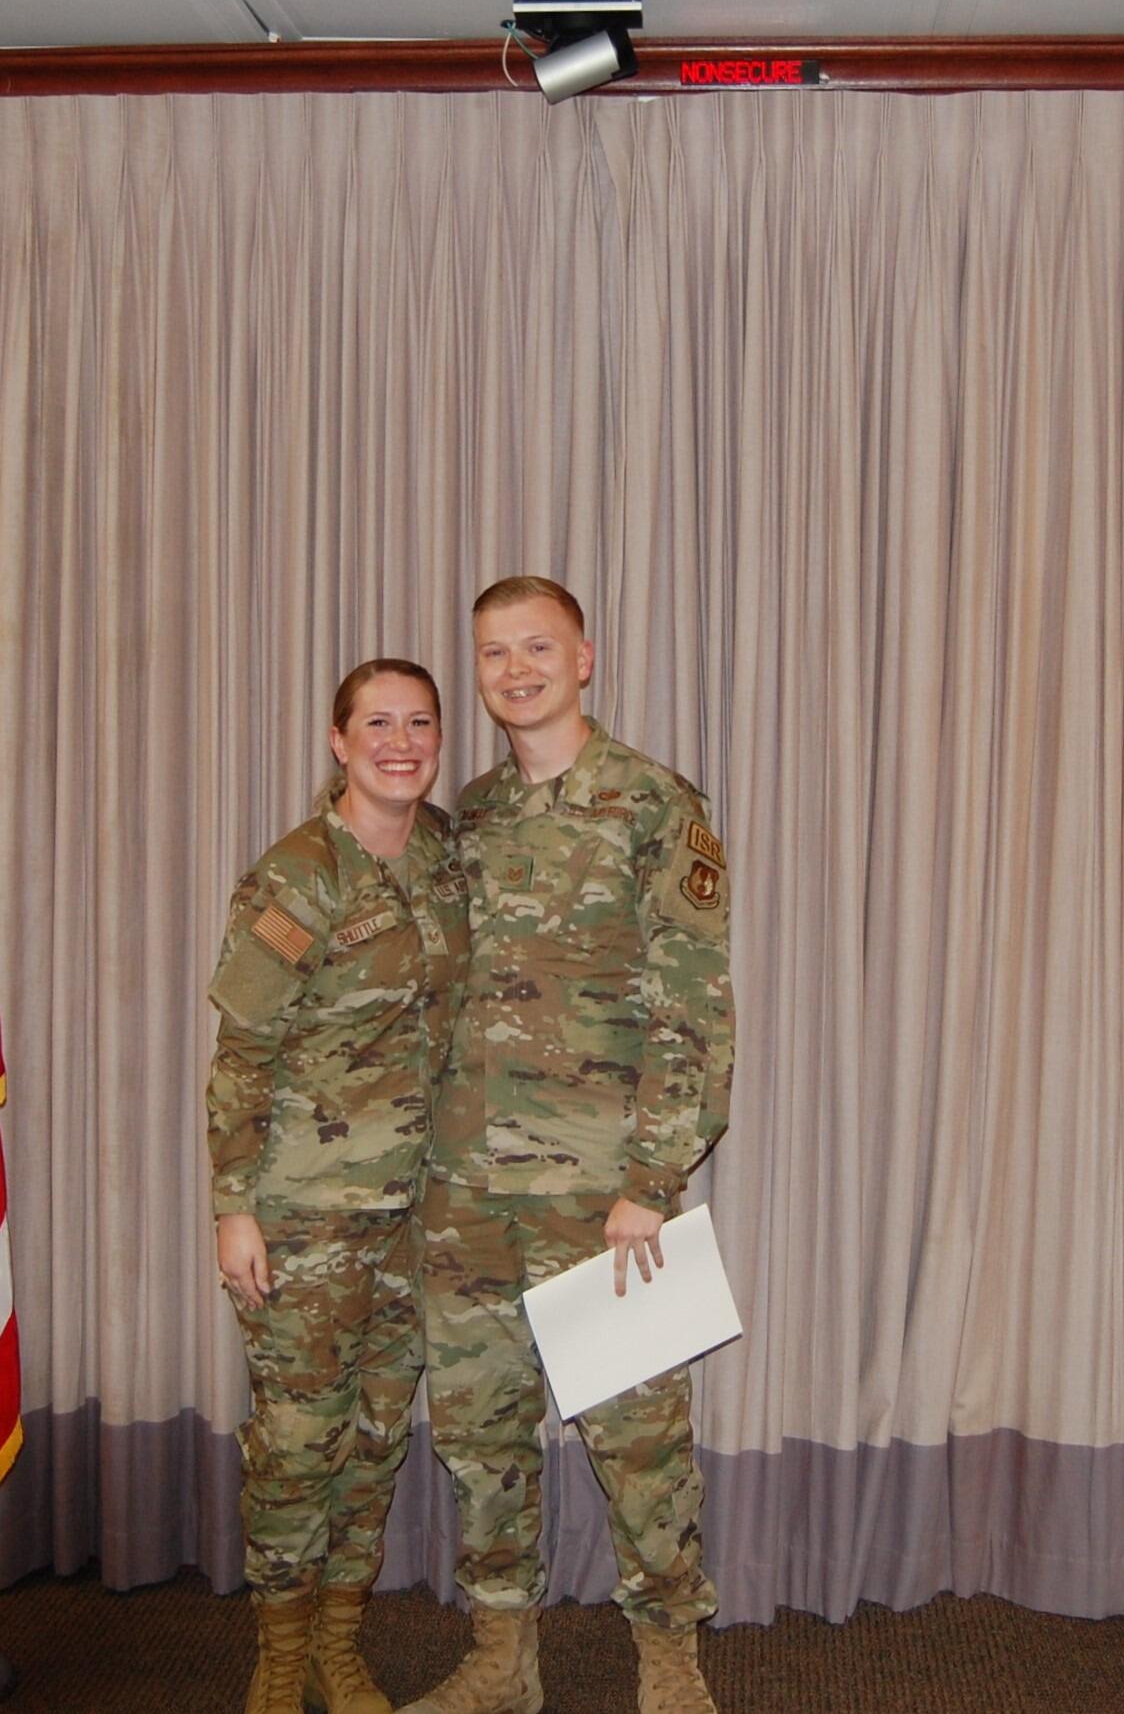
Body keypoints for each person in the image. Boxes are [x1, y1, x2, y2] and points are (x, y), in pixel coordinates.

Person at [406, 578, 734, 1714]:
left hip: (600, 1191)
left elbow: (694, 1011)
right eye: (494, 653)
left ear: (584, 658)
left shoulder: (654, 804)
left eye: (537, 646)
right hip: (464, 1191)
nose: (515, 669)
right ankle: (503, 1659)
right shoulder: (471, 818)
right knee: (480, 1435)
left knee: (639, 1439)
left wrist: (653, 1181)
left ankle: (670, 1662)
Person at [207, 658, 471, 1714]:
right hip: (307, 1217)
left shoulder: (449, 855)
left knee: (373, 1438)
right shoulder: (297, 877)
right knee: (294, 1447)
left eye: (418, 722)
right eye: (377, 722)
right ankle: (276, 1660)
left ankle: (338, 1643)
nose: (399, 741)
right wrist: (234, 1207)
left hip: (416, 1214)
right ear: (337, 739)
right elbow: (240, 1052)